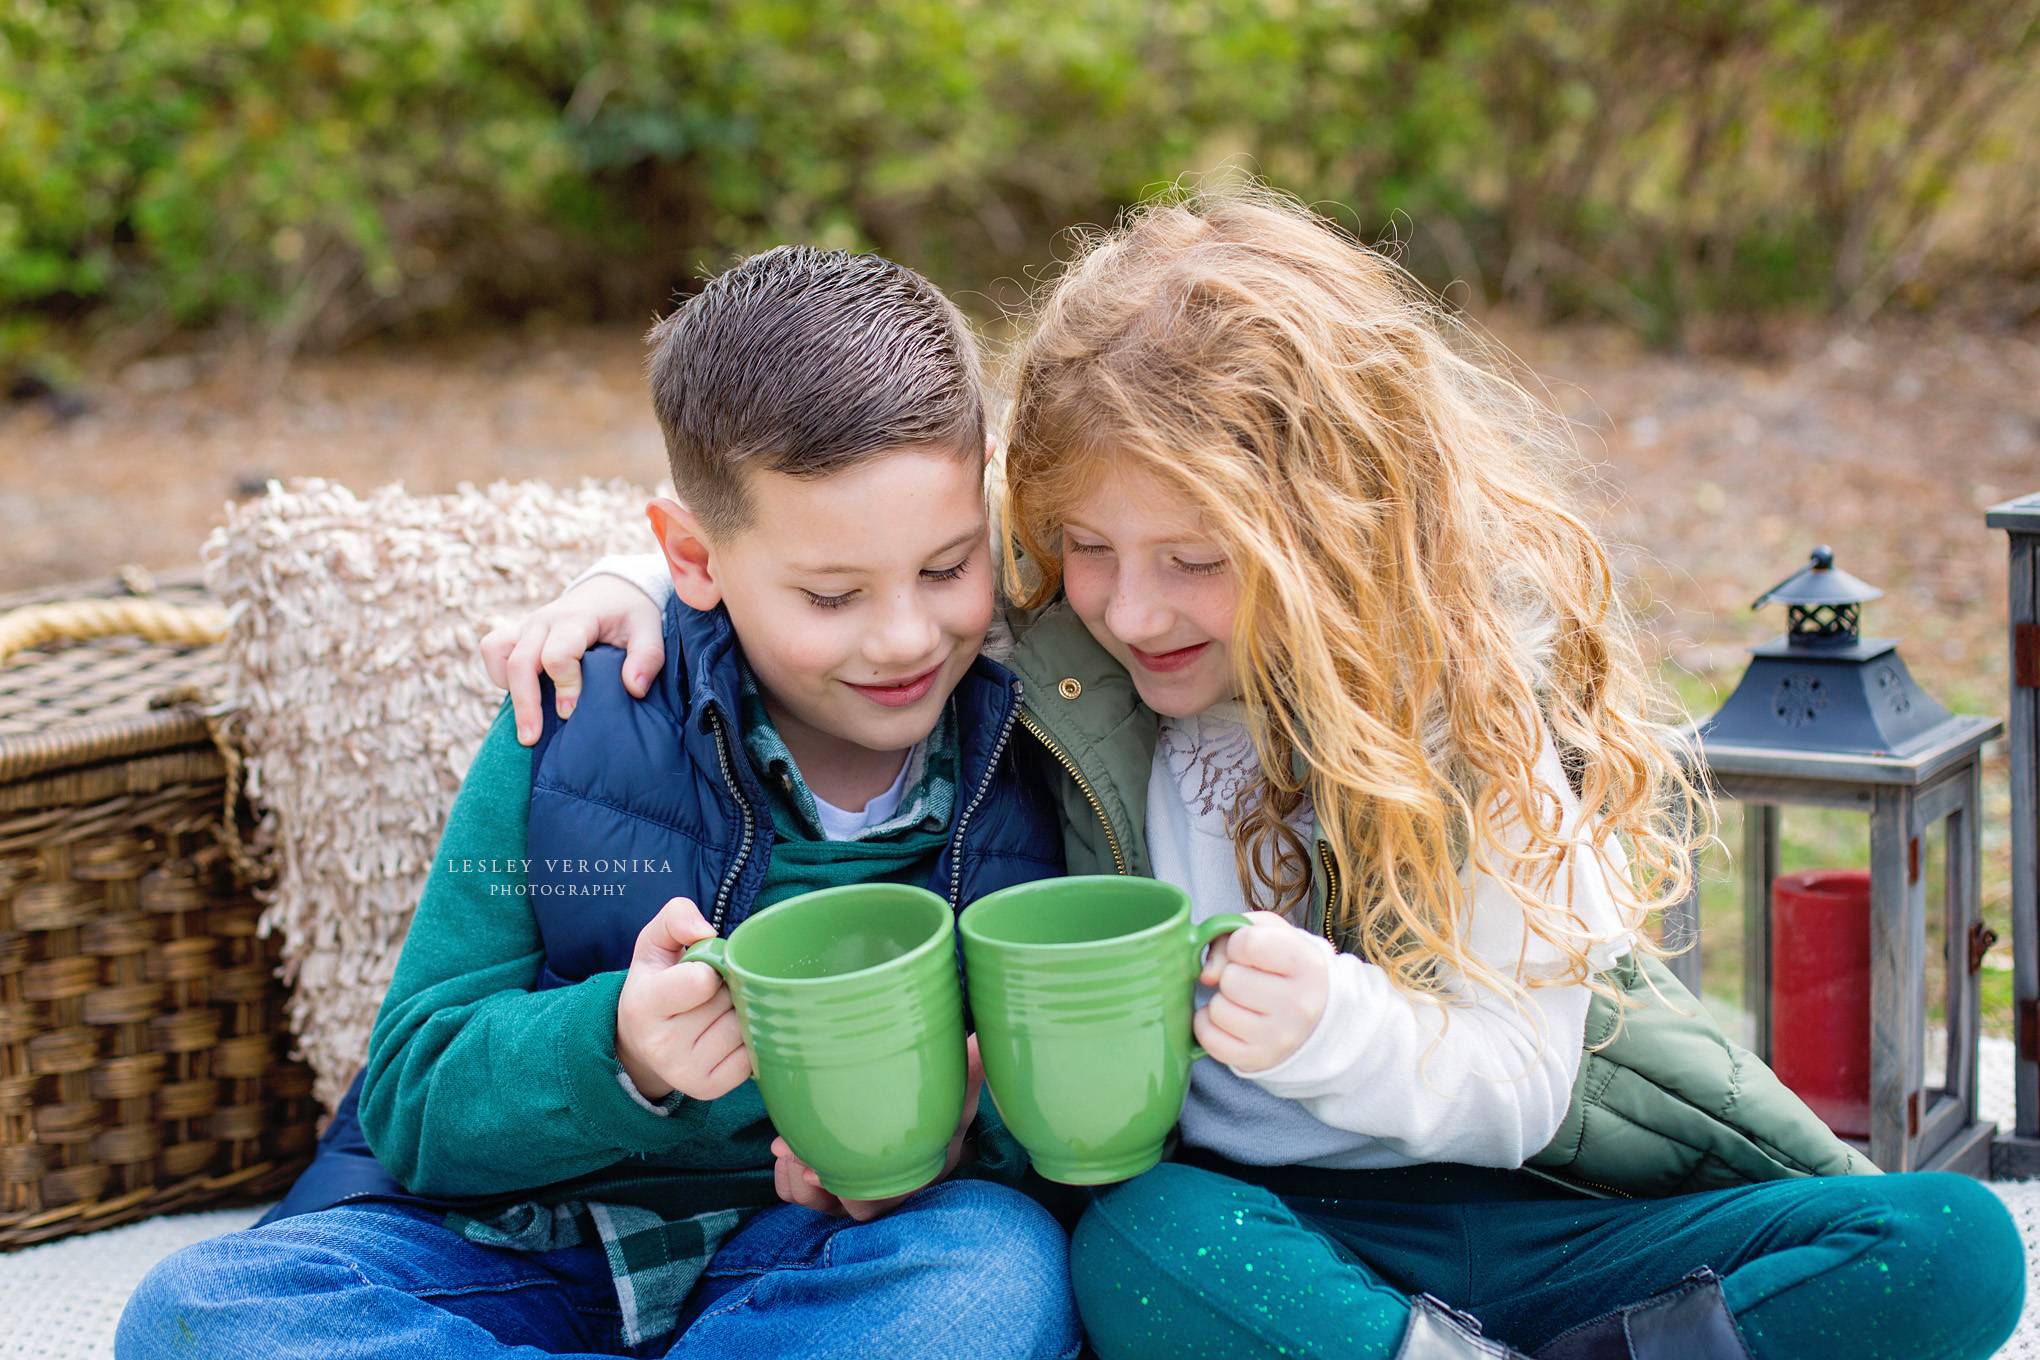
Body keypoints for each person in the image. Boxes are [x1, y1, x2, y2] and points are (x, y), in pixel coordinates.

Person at [495, 186, 2026, 1359]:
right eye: (1085, 549)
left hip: (1551, 1212)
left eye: (1195, 561)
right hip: (1266, 1228)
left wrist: (1345, 1032)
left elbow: (1520, 1085)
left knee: (1956, 1246)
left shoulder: (1470, 719)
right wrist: (638, 598)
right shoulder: (1080, 665)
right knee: (1135, 1245)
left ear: (1333, 535)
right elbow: (825, 545)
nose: (1129, 604)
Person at [115, 246, 1080, 1360]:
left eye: (947, 566)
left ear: (991, 497)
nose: (907, 636)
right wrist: (615, 1046)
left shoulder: (1040, 729)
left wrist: (955, 1150)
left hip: (812, 1267)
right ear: (690, 555)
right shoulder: (576, 715)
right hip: (521, 1249)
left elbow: (1066, 1100)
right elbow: (414, 1099)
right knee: (203, 1311)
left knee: (996, 1275)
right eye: (831, 595)